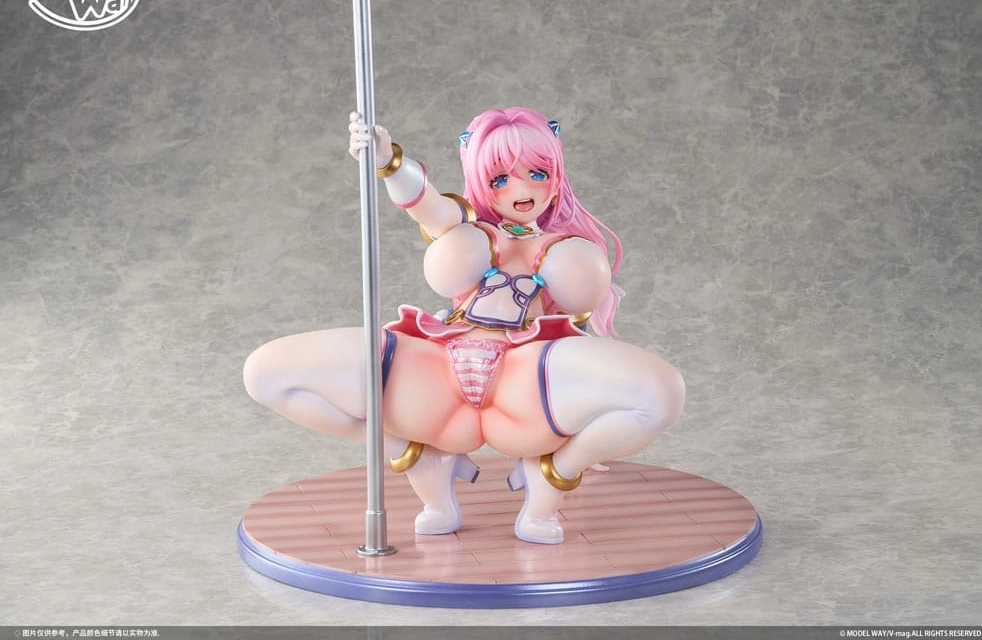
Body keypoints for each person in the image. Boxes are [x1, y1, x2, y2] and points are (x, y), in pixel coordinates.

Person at [243, 107, 685, 544]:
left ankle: (553, 471)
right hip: (438, 372)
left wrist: (576, 443)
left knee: (661, 394)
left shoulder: (568, 244)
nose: (521, 189)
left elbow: (579, 333)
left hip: (527, 379)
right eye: (500, 178)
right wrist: (387, 161)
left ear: (556, 175)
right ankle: (414, 456)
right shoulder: (467, 224)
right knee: (266, 373)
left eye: (537, 173)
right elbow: (426, 204)